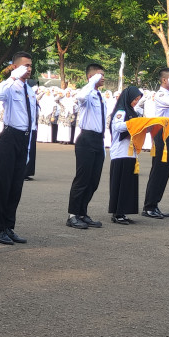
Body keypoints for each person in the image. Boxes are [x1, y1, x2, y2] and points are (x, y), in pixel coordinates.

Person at [0, 51, 37, 245]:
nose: (28, 69)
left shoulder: (30, 89)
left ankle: (9, 226)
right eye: (24, 65)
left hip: (24, 138)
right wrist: (12, 77)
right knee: (4, 184)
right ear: (14, 66)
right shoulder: (10, 86)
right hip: (10, 136)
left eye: (30, 66)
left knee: (16, 185)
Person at [66, 63, 108, 229]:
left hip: (98, 140)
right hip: (86, 139)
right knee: (82, 179)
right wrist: (91, 82)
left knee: (93, 181)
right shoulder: (87, 94)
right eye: (99, 75)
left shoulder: (100, 95)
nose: (103, 77)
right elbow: (81, 97)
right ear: (90, 77)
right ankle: (72, 215)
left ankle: (82, 212)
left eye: (103, 75)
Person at [142, 67, 169, 219]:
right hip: (162, 134)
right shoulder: (160, 95)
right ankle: (149, 206)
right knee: (158, 170)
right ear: (164, 80)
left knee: (165, 170)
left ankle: (155, 203)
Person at [107, 86, 144, 225]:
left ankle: (124, 211)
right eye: (135, 99)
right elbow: (117, 127)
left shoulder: (132, 111)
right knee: (120, 183)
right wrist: (135, 123)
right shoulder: (121, 111)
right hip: (120, 152)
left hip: (130, 152)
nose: (136, 102)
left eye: (138, 100)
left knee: (128, 184)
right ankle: (117, 213)